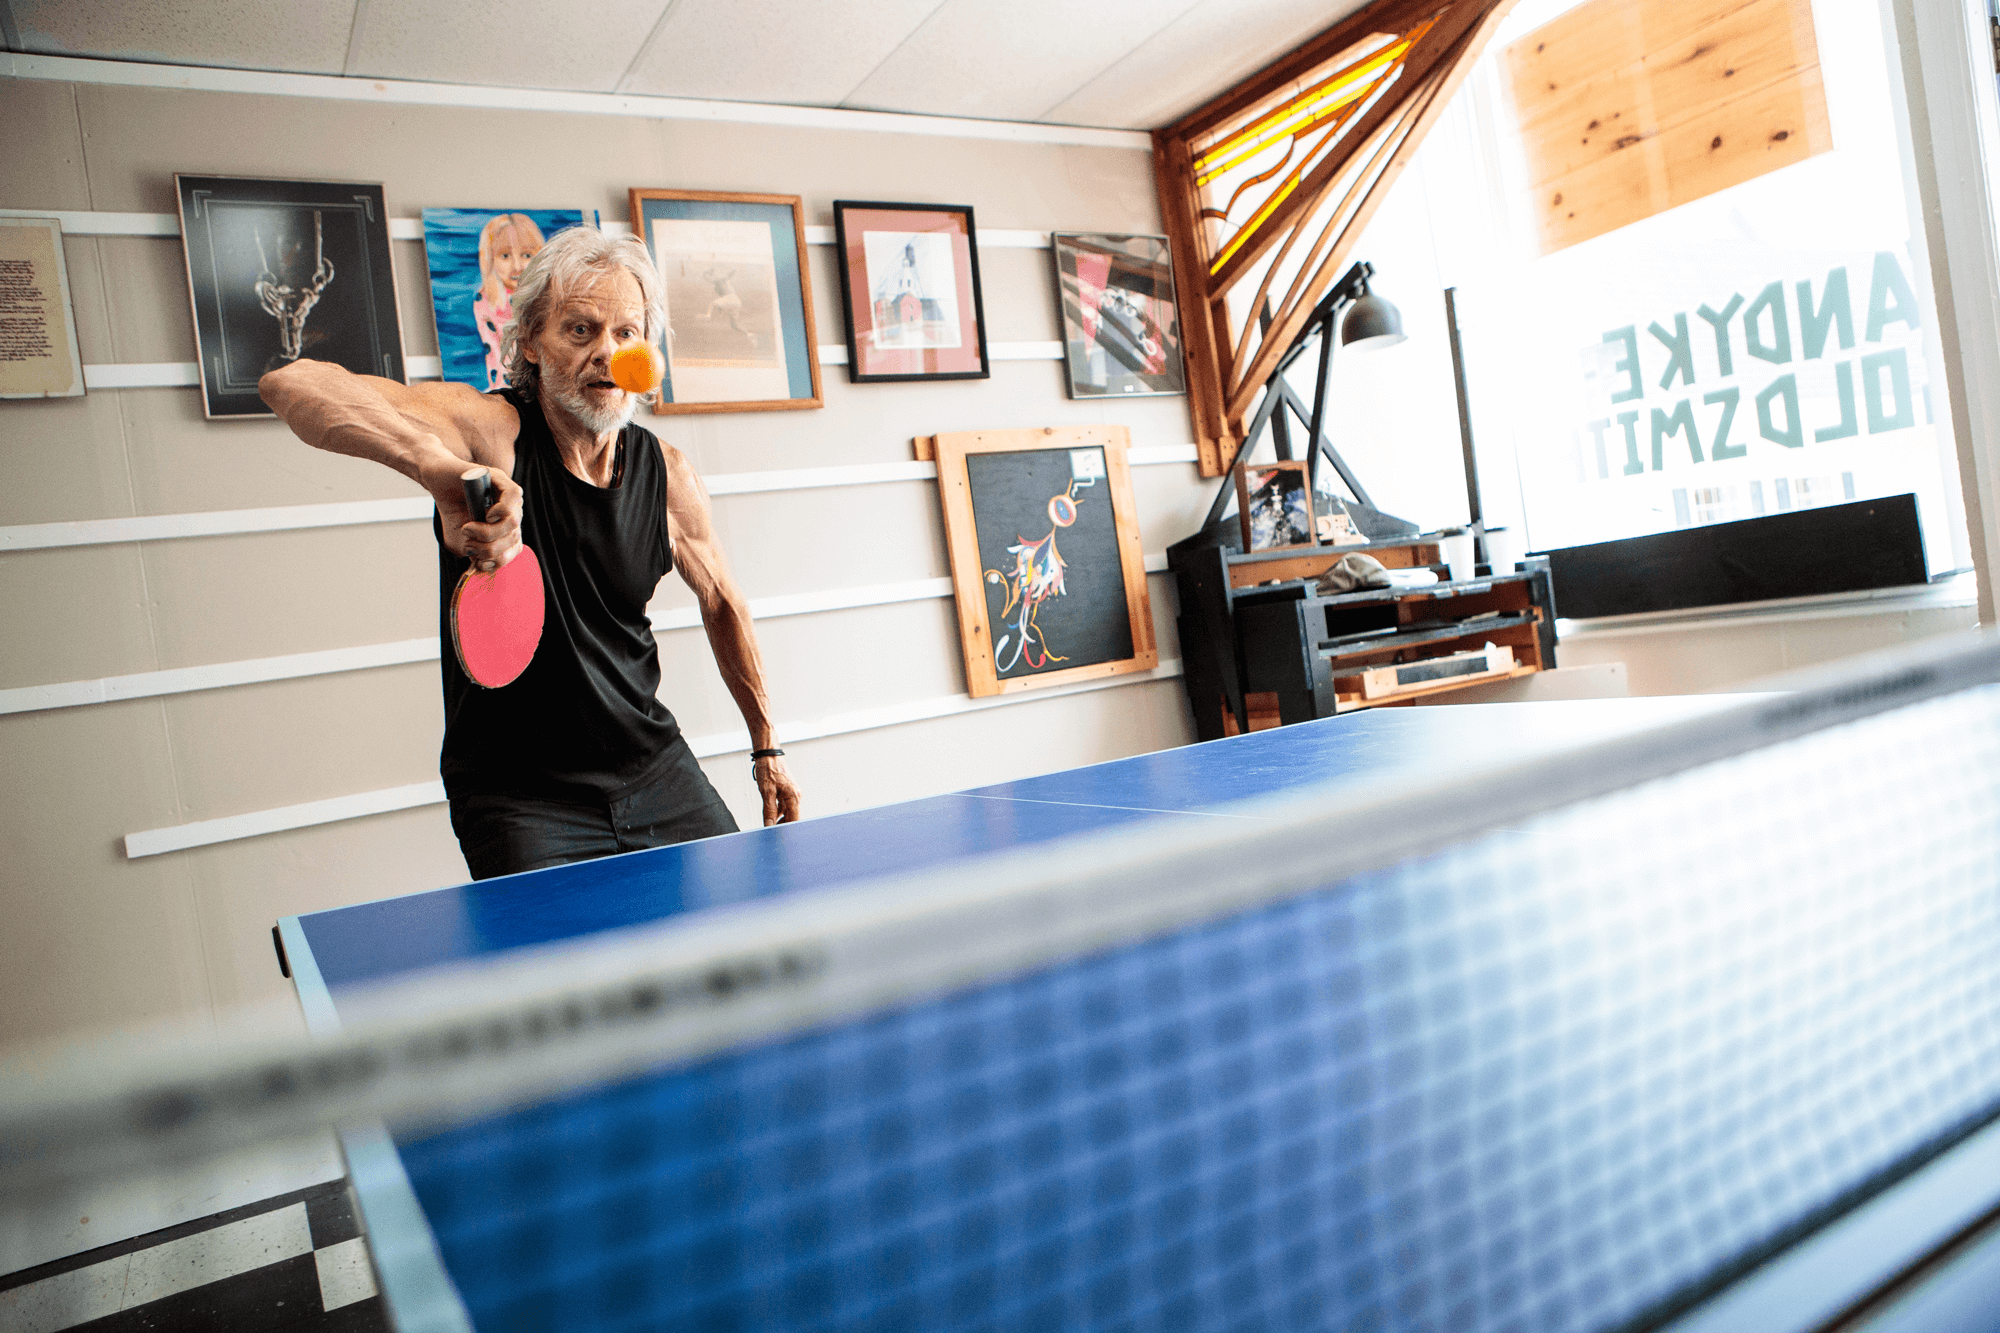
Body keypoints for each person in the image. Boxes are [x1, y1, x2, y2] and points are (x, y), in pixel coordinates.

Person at [259, 227, 801, 879]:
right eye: (580, 330)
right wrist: (435, 467)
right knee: (563, 978)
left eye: (627, 334)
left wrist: (766, 745)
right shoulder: (490, 432)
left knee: (736, 948)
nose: (607, 351)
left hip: (654, 769)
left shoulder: (669, 477)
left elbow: (723, 601)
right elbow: (294, 385)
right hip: (522, 798)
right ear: (532, 344)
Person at [473, 213, 544, 390]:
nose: (517, 266)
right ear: (490, 259)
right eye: (505, 256)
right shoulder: (485, 302)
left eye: (526, 255)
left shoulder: (549, 297)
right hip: (510, 390)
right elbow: (498, 358)